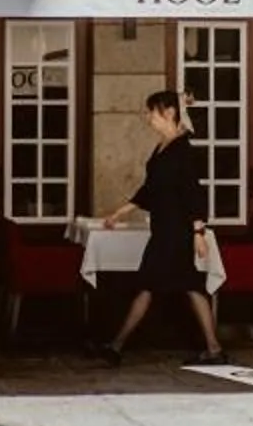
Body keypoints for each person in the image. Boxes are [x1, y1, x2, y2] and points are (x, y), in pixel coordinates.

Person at [94, 88, 227, 368]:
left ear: (168, 113)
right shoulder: (163, 146)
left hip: (176, 233)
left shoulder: (183, 150)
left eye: (151, 112)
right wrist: (119, 213)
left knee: (153, 285)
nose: (147, 117)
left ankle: (117, 345)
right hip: (164, 231)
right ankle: (213, 348)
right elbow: (150, 189)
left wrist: (199, 233)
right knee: (183, 286)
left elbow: (193, 194)